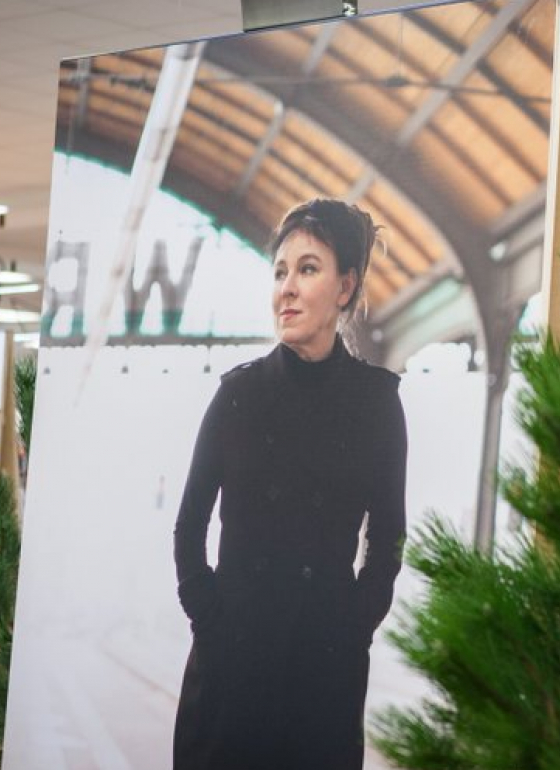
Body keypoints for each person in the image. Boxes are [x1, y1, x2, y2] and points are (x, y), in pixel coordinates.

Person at [173, 198, 408, 770]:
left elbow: (388, 540)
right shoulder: (238, 395)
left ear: (345, 287)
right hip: (232, 666)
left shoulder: (376, 403)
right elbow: (189, 526)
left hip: (323, 672)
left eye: (308, 269)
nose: (288, 289)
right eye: (280, 272)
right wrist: (209, 620)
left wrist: (353, 629)